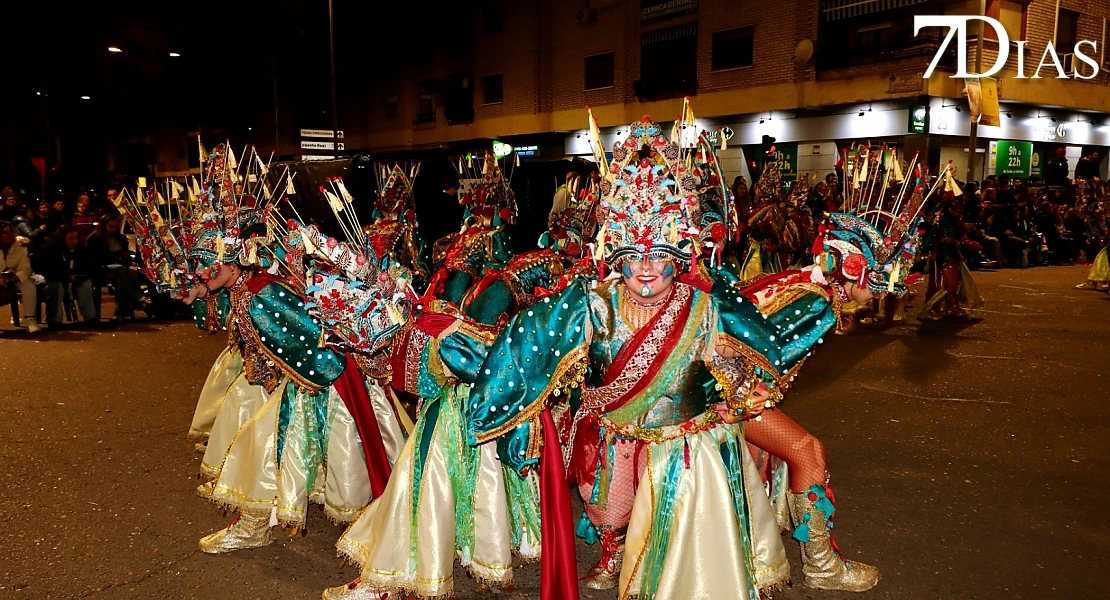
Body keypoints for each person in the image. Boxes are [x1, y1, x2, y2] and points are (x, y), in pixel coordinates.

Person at [39, 225, 98, 325]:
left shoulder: (81, 248)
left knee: (86, 284)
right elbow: (48, 269)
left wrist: (80, 275)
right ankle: (55, 320)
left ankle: (90, 317)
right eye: (71, 238)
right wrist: (66, 276)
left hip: (73, 277)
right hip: (55, 277)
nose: (74, 241)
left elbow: (88, 264)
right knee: (57, 287)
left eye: (76, 238)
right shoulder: (51, 249)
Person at [86, 213, 141, 320]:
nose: (113, 229)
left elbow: (127, 260)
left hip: (119, 270)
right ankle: (137, 298)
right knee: (120, 270)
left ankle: (120, 311)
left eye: (115, 226)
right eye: (110, 226)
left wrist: (125, 257)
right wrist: (105, 270)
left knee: (122, 276)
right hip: (102, 268)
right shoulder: (94, 239)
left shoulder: (120, 239)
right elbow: (92, 260)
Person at [0, 221, 40, 332]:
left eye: (10, 232)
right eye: (4, 232)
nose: (8, 235)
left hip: (14, 277)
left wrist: (16, 277)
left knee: (28, 284)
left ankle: (30, 318)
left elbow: (25, 267)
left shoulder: (20, 245)